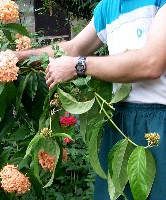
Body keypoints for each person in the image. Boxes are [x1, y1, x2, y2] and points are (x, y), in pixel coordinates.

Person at [14, 0, 166, 199]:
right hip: (118, 122)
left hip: (159, 123)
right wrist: (19, 57)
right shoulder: (108, 6)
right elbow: (74, 47)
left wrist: (79, 66)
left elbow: (151, 63)